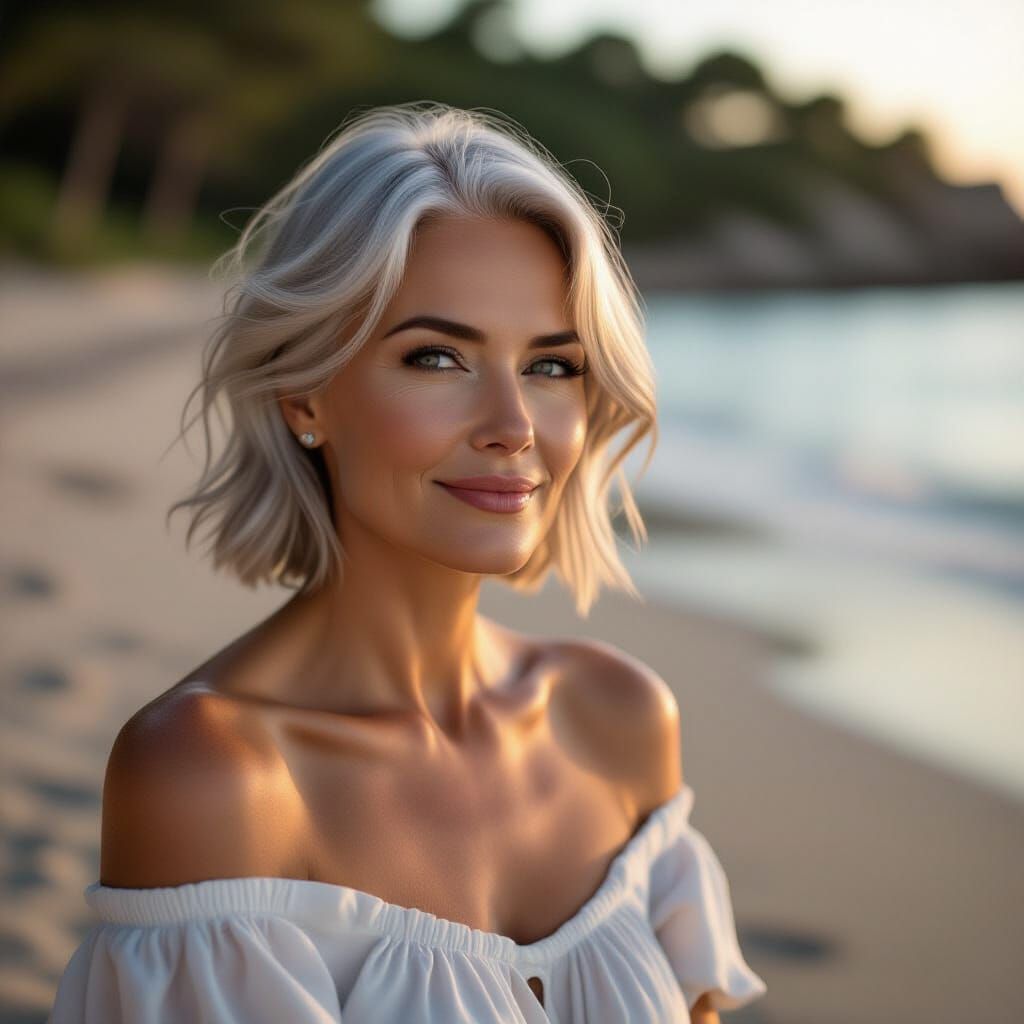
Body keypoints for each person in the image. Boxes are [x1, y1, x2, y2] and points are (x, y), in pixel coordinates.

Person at [48, 101, 767, 1023]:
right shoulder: (213, 776)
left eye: (552, 366)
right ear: (304, 395)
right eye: (437, 357)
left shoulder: (620, 717)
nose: (513, 428)